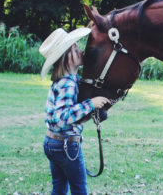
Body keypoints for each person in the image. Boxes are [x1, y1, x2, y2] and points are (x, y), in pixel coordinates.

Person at [39, 27, 110, 195]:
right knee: (79, 190)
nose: (81, 51)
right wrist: (91, 104)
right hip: (66, 144)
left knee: (59, 188)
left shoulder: (67, 80)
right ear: (66, 57)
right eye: (75, 48)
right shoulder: (67, 84)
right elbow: (62, 116)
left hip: (52, 142)